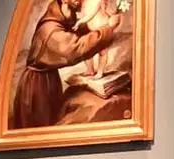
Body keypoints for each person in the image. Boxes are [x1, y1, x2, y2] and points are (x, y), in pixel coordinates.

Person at [10, 0, 121, 129]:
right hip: (36, 88)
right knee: (39, 129)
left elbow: (75, 32)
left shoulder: (64, 15)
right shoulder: (49, 30)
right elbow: (75, 49)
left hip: (49, 80)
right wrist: (107, 28)